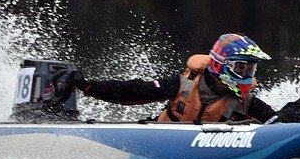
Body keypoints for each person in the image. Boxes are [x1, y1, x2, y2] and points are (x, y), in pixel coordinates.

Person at [62, 33, 277, 123]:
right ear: (220, 64)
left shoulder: (245, 101)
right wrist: (89, 86)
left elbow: (277, 121)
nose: (246, 75)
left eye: (250, 69)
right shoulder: (184, 84)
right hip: (160, 147)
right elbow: (135, 91)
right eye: (241, 68)